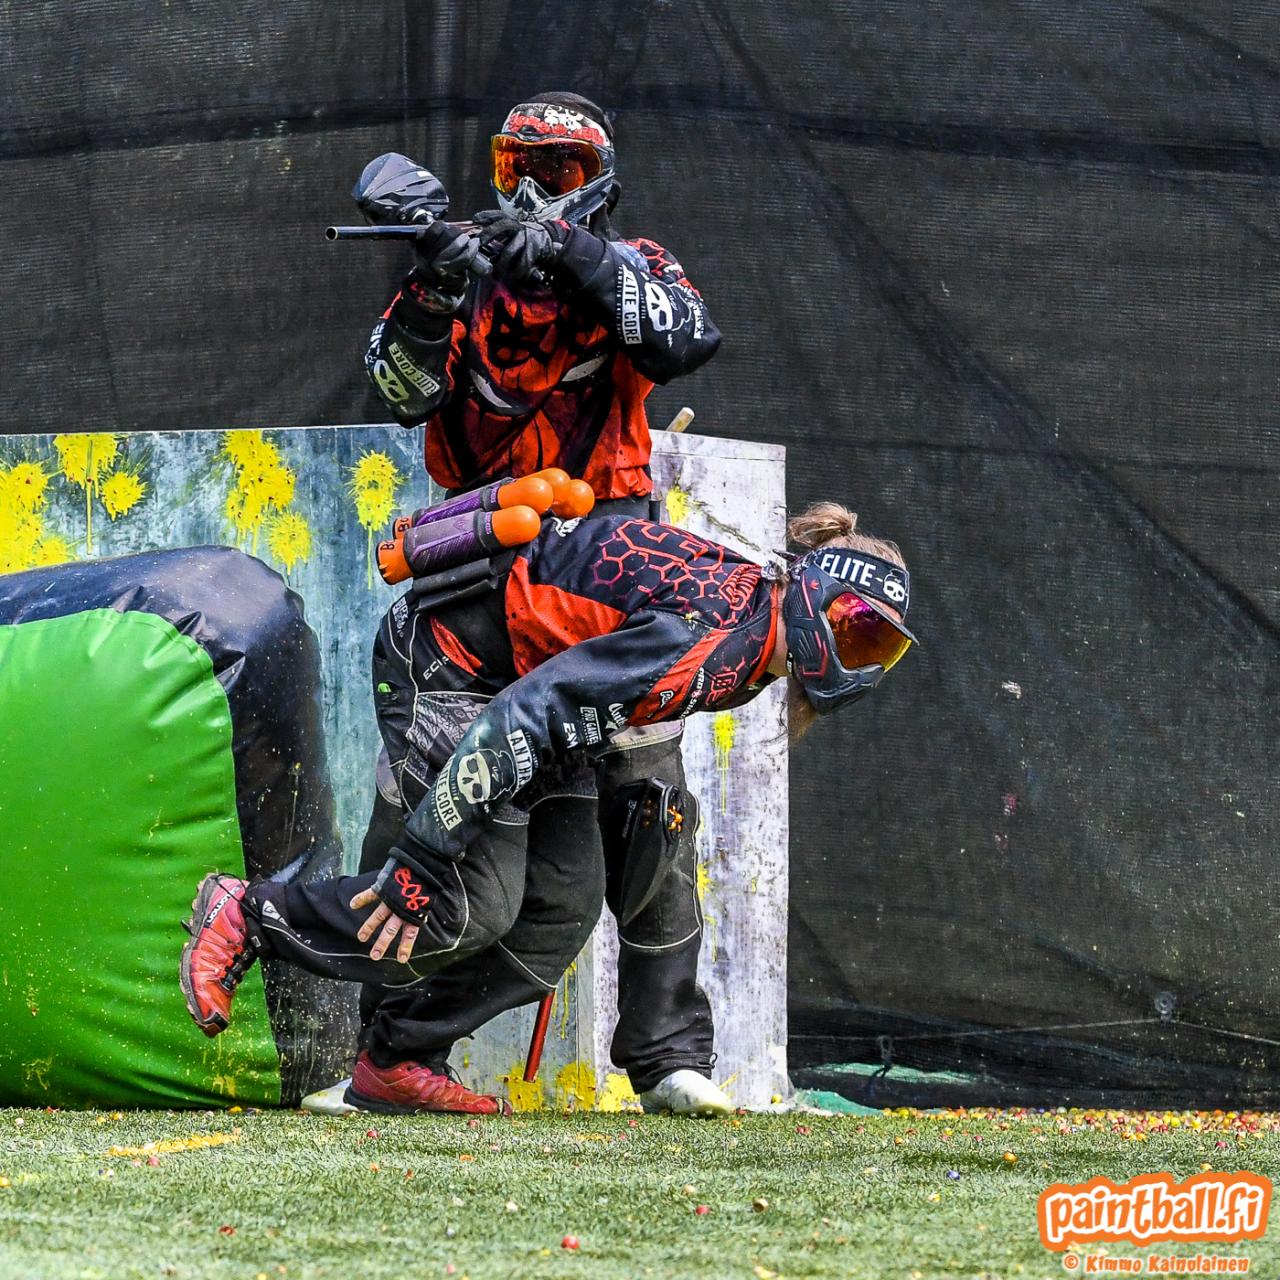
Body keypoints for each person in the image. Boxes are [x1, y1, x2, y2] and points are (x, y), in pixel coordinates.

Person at [180, 503, 916, 1116]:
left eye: (880, 650)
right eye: (857, 628)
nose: (861, 661)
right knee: (459, 906)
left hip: (528, 686)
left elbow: (575, 693)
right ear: (811, 591)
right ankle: (247, 914)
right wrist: (427, 853)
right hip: (452, 664)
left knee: (559, 909)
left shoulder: (753, 635)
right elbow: (527, 715)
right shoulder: (717, 634)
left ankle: (397, 1059)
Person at [336, 88, 731, 1116]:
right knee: (438, 820)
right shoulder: (464, 279)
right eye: (515, 168)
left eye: (555, 173)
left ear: (596, 183)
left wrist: (568, 253)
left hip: (612, 588)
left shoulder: (634, 262)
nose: (529, 191)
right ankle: (376, 1046)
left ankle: (667, 1056)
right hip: (478, 597)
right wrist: (435, 277)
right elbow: (399, 389)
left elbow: (686, 337)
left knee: (650, 815)